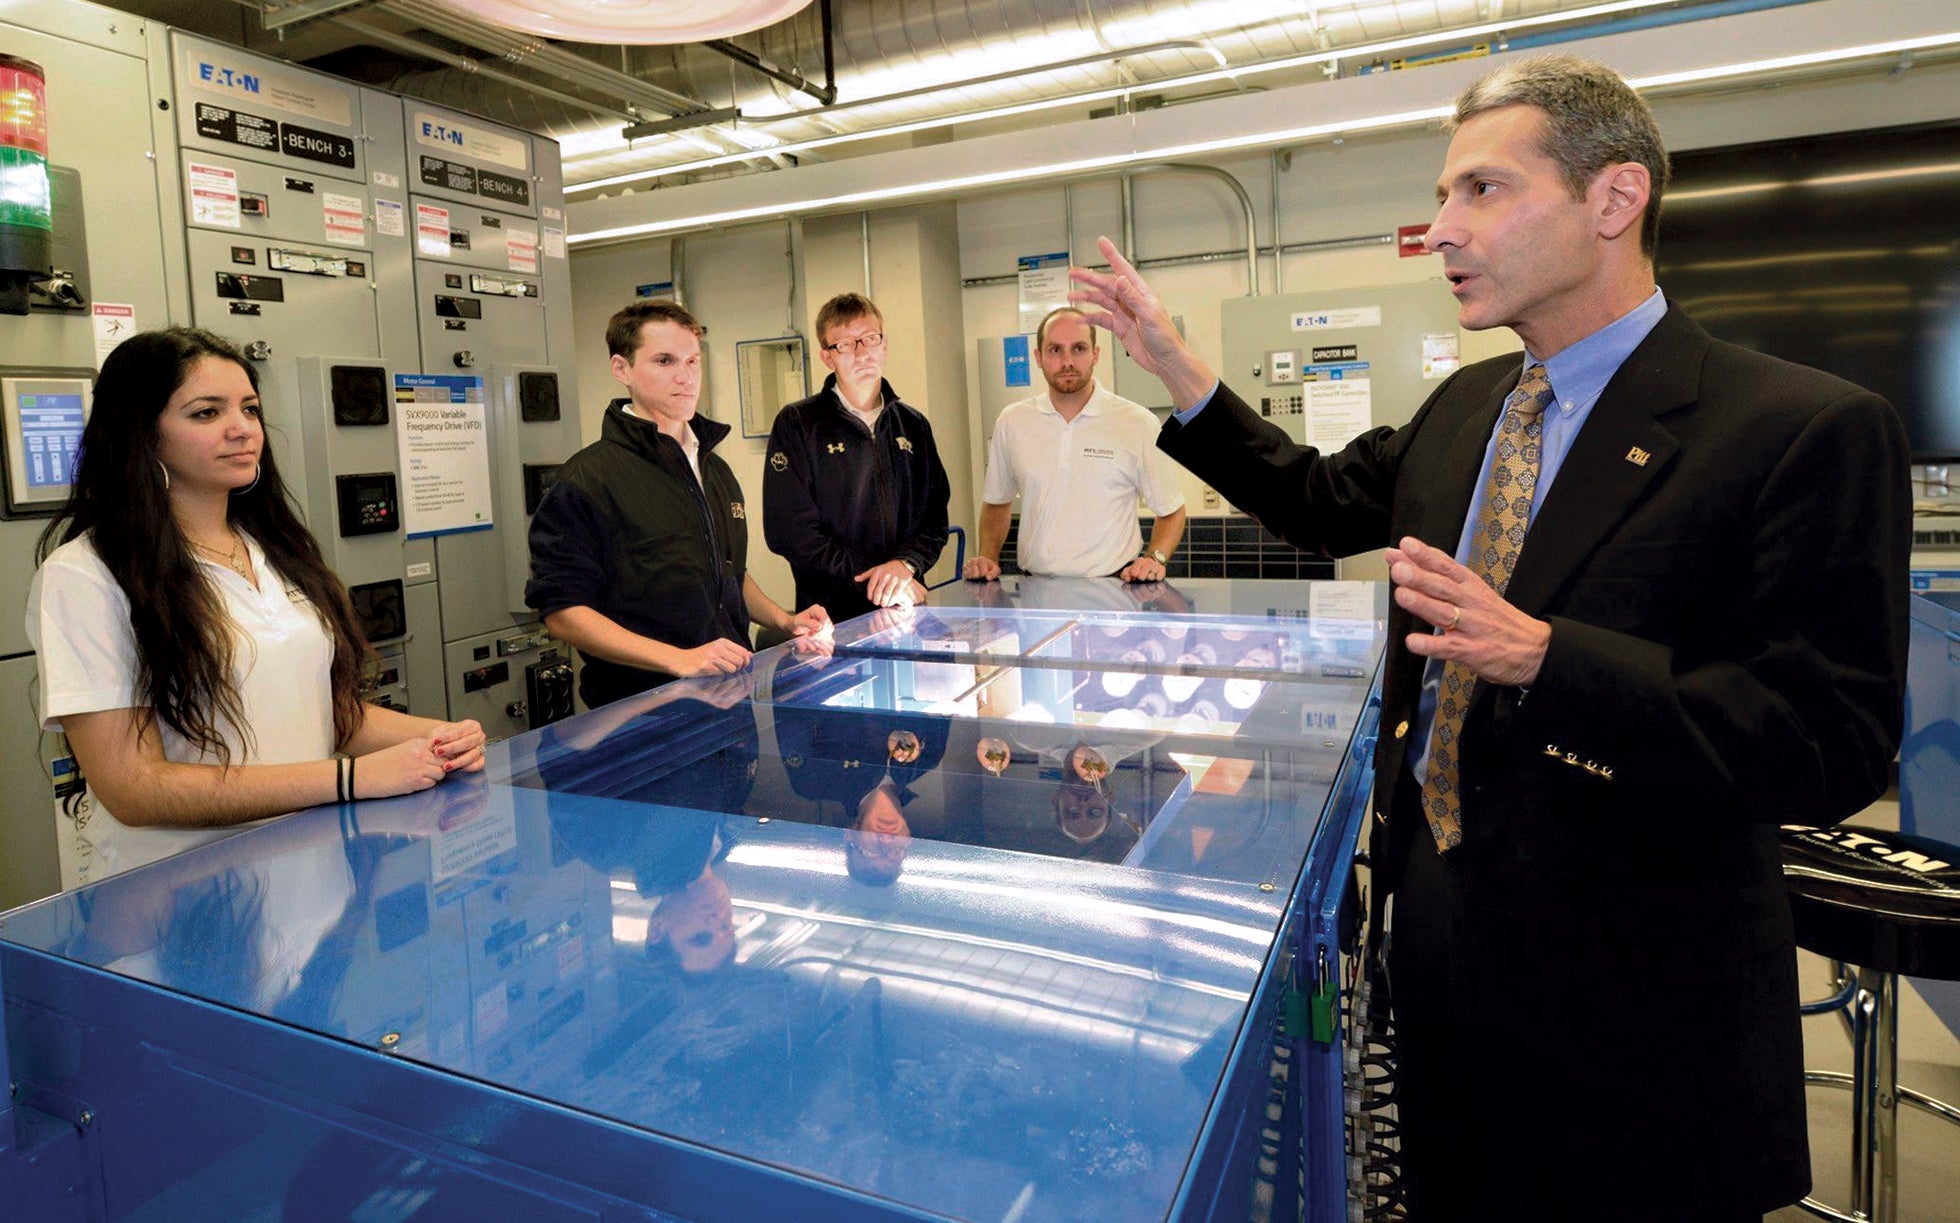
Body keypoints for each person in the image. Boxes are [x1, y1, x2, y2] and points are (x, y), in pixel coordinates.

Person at [1071, 54, 1910, 1221]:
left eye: (1481, 191)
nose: (1441, 228)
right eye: (1441, 196)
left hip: (1641, 1010)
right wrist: (1174, 363)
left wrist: (1548, 660)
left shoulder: (1797, 428)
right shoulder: (1469, 407)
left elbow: (1832, 741)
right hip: (1445, 953)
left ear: (1613, 200)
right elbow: (1315, 498)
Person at [25, 327, 487, 887]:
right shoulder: (86, 574)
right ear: (142, 435)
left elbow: (330, 713)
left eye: (249, 408)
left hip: (309, 874)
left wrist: (436, 738)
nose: (242, 429)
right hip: (181, 896)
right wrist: (348, 780)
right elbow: (133, 788)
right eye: (205, 413)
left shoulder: (276, 549)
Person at [526, 300, 829, 710]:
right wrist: (680, 660)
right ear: (622, 369)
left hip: (730, 696)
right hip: (642, 711)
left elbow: (726, 570)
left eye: (692, 361)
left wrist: (783, 620)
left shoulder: (714, 468)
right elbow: (563, 612)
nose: (685, 377)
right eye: (665, 361)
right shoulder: (586, 480)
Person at [763, 292, 951, 620]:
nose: (862, 353)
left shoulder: (913, 424)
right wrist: (878, 579)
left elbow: (934, 519)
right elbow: (790, 532)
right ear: (827, 357)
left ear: (884, 345)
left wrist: (905, 565)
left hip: (906, 610)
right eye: (846, 344)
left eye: (870, 339)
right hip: (832, 616)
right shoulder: (798, 424)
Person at [965, 307, 1187, 583]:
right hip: (1035, 591)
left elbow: (1172, 511)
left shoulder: (1137, 423)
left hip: (1114, 593)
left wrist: (1156, 558)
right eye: (1055, 350)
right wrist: (988, 557)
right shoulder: (1012, 422)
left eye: (1078, 348)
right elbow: (996, 504)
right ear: (1038, 357)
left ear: (1095, 354)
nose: (1067, 361)